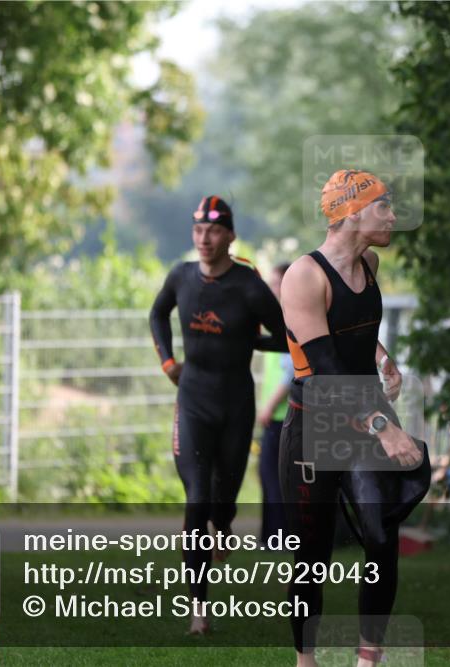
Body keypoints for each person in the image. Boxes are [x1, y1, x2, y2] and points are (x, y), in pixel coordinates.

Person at [279, 169, 431, 666]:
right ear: (351, 212)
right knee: (311, 555)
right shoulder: (303, 275)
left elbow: (350, 330)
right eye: (384, 205)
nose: (393, 215)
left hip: (364, 414)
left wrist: (382, 355)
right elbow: (323, 367)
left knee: (381, 535)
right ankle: (306, 661)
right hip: (315, 424)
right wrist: (385, 427)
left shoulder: (370, 263)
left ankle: (370, 660)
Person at [149, 195, 288, 635]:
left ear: (229, 235)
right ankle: (198, 611)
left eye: (213, 231)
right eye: (197, 231)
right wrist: (168, 362)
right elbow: (157, 314)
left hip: (235, 405)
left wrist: (246, 339)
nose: (204, 239)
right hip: (192, 401)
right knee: (196, 499)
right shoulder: (182, 276)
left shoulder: (248, 285)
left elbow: (287, 337)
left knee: (222, 502)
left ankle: (224, 525)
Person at [257, 262, 294, 545]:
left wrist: (269, 405)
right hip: (278, 416)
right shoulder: (276, 319)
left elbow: (292, 371)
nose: (271, 289)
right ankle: (272, 539)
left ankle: (279, 540)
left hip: (283, 416)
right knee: (269, 476)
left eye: (275, 283)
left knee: (275, 479)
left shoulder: (291, 320)